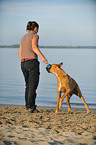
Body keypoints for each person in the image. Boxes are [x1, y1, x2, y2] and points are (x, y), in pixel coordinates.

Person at [18, 21, 48, 113]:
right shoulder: (35, 36)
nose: (38, 30)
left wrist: (23, 60)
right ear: (35, 28)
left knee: (28, 86)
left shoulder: (23, 37)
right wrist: (43, 58)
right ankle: (31, 107)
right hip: (32, 62)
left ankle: (28, 106)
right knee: (33, 86)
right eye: (37, 28)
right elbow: (34, 47)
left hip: (23, 63)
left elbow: (19, 52)